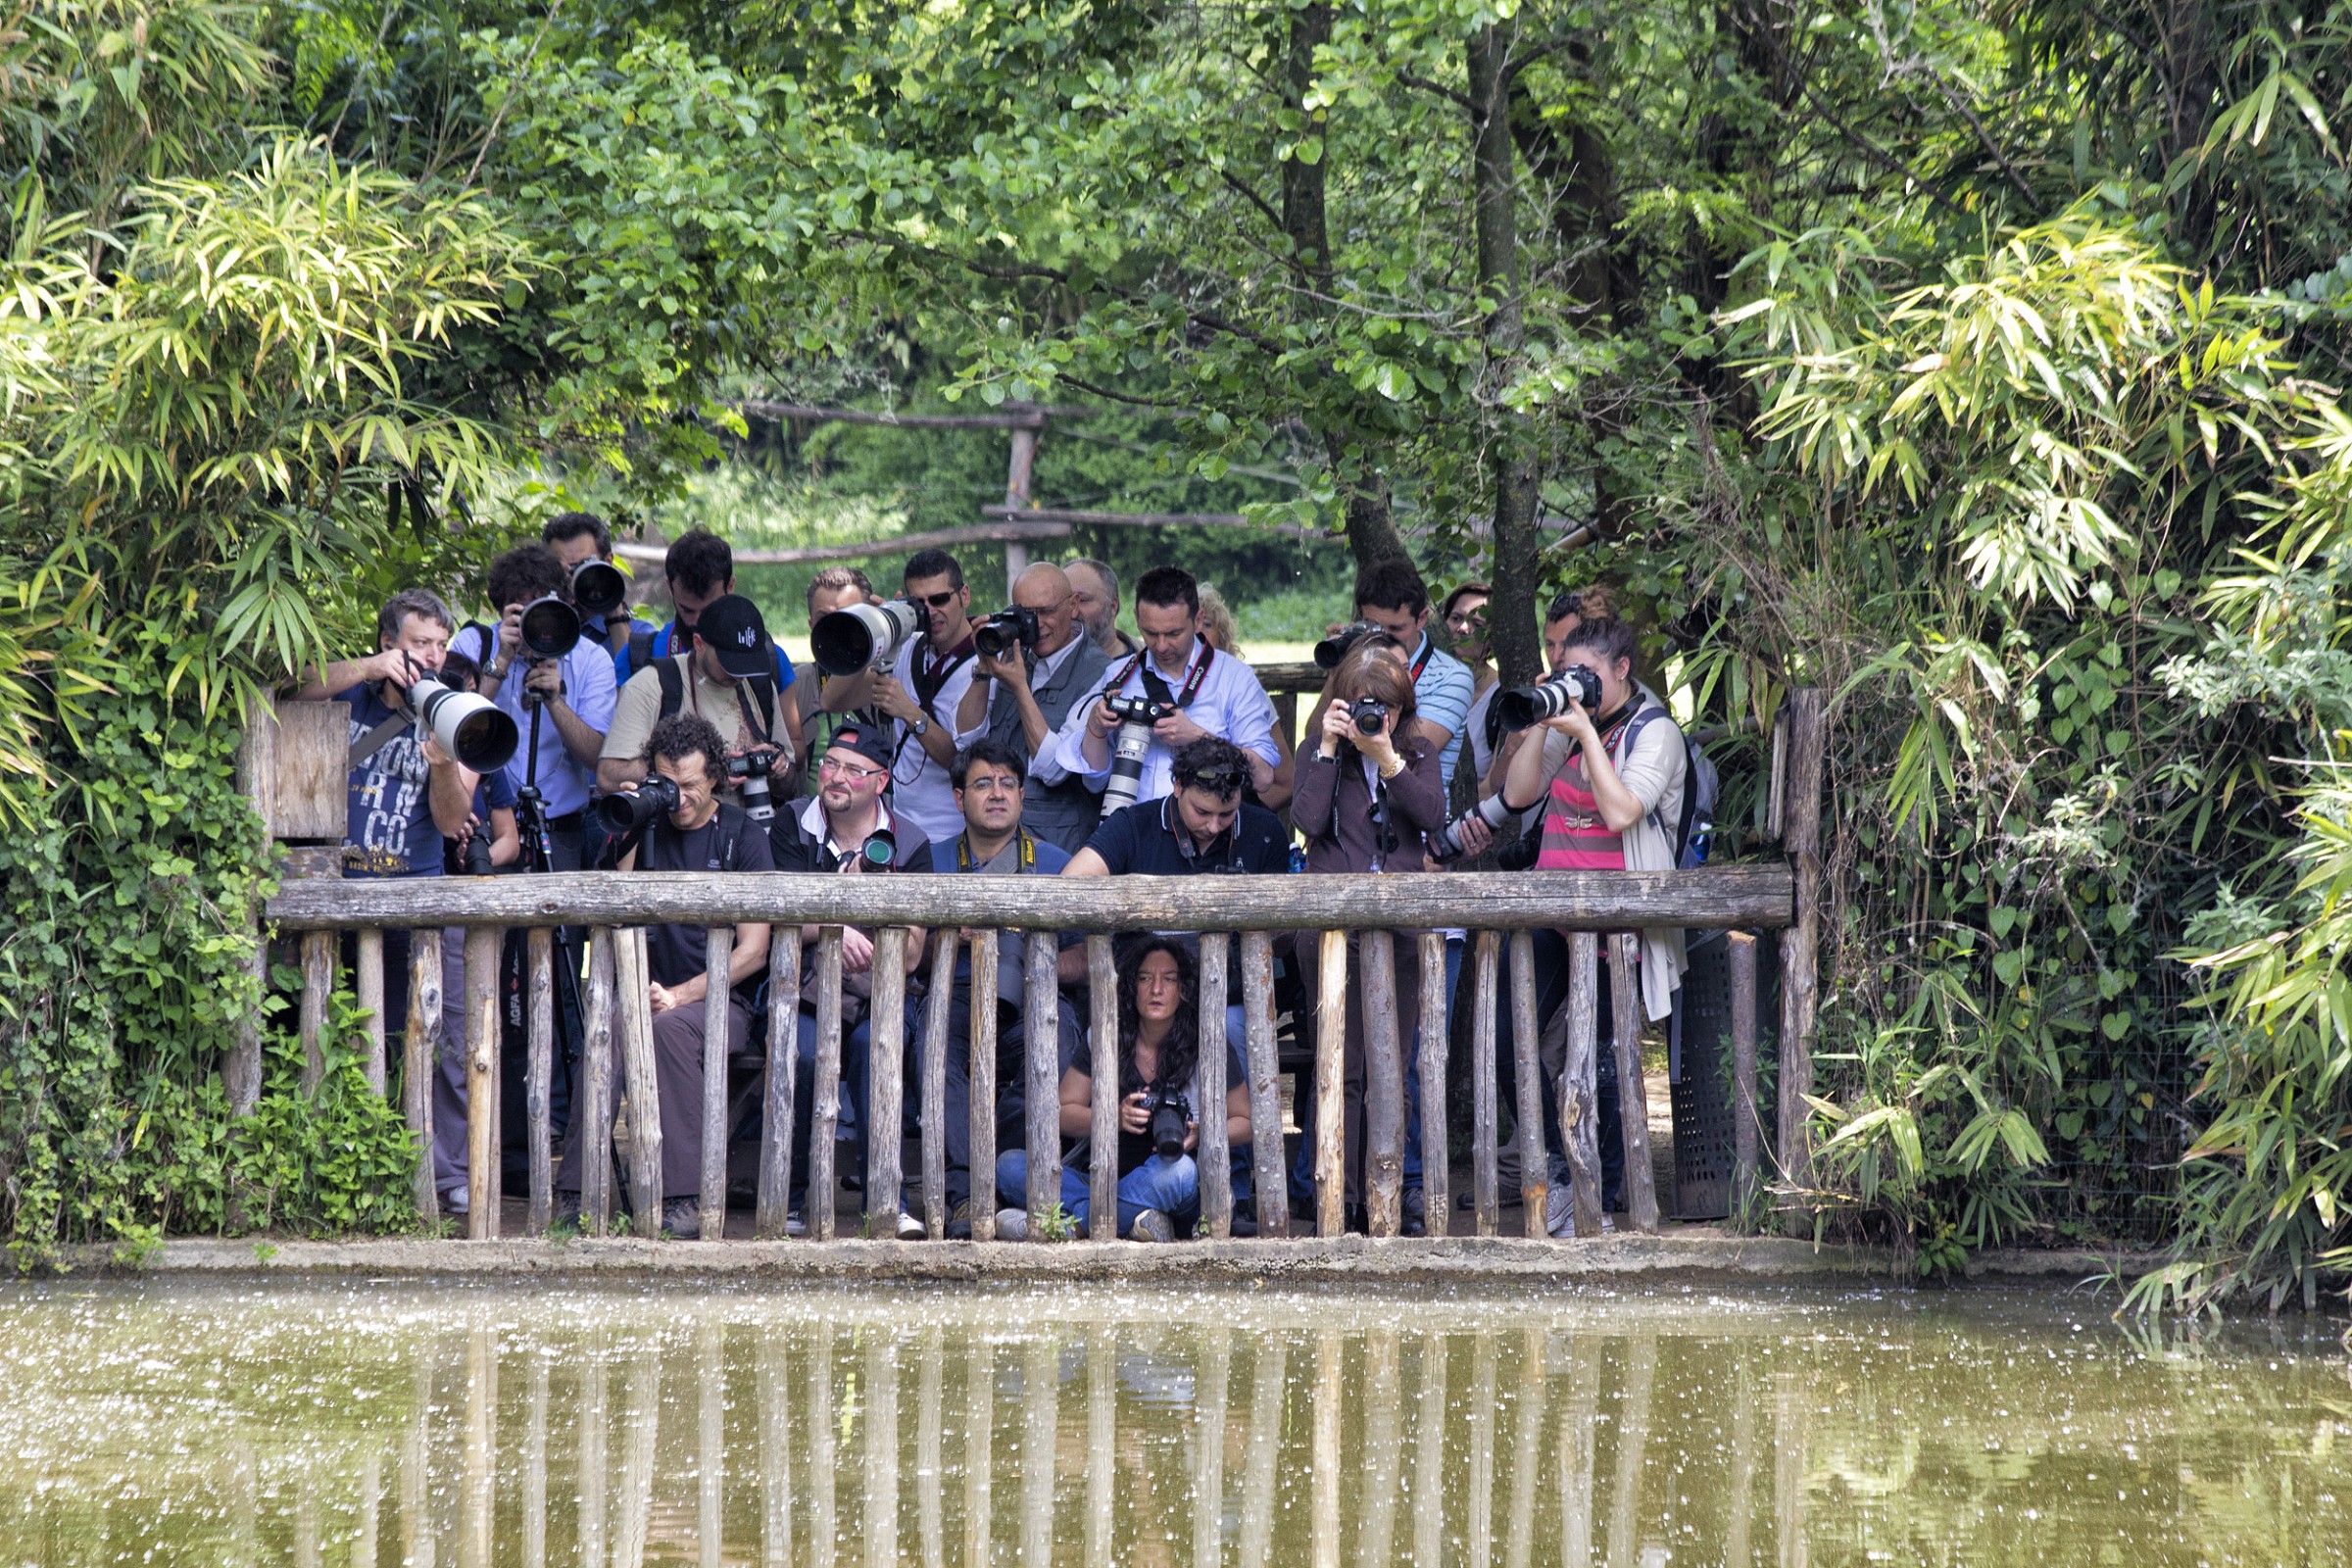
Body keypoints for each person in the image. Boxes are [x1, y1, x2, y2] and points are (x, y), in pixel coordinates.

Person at [1494, 615, 1688, 1235]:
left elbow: (1621, 810)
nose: (1576, 683)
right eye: (1566, 671)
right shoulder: (1570, 718)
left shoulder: (1654, 732)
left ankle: (1598, 1203)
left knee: (1602, 1063)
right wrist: (1541, 724)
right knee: (1506, 1039)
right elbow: (1520, 793)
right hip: (1555, 919)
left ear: (1623, 670)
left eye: (1588, 675)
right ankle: (1559, 1172)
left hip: (1621, 928)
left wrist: (1585, 732)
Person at [291, 588, 480, 1212]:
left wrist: (445, 763)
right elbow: (285, 687)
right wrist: (369, 671)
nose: (432, 656)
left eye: (441, 644)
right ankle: (345, 1160)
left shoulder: (460, 712)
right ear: (389, 643)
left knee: (442, 1039)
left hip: (418, 899)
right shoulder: (353, 688)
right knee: (338, 1035)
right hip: (339, 896)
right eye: (419, 643)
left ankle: (444, 1172)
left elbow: (455, 823)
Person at [554, 714, 772, 1239]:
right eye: (667, 784)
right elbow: (618, 901)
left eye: (691, 785)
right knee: (608, 1030)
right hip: (643, 993)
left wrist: (679, 995)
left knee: (667, 1030)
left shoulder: (741, 836)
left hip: (721, 1002)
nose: (680, 797)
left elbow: (755, 950)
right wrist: (631, 816)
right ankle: (577, 1191)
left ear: (716, 777)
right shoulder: (646, 826)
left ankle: (682, 1197)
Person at [1289, 643, 1447, 1233]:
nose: (1369, 716)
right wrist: (1329, 750)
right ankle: (1339, 1200)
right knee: (1340, 1065)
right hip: (1329, 931)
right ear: (1338, 702)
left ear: (1402, 709)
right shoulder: (1316, 750)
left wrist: (1388, 759)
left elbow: (1431, 815)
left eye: (1381, 707)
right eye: (1358, 705)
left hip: (1400, 931)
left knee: (1391, 1065)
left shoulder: (1418, 752)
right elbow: (1305, 822)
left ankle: (1383, 1195)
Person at [770, 721, 933, 1239]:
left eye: (852, 771)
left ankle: (888, 1200)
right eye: (830, 765)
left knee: (876, 1046)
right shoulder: (792, 823)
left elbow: (911, 958)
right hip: (805, 987)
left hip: (881, 995)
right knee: (803, 1053)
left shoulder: (910, 842)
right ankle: (796, 1199)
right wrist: (837, 920)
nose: (836, 778)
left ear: (880, 782)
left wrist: (877, 904)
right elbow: (778, 915)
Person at [923, 740, 1084, 1232]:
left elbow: (1089, 955)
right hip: (957, 991)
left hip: (1036, 993)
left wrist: (1041, 960)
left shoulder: (1059, 864)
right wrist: (953, 938)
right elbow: (912, 957)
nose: (997, 794)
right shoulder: (930, 861)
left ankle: (1012, 1173)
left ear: (1021, 796)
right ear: (958, 798)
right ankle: (964, 1193)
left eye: (1008, 783)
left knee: (1055, 1039)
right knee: (936, 1042)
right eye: (983, 783)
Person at [993, 936, 1251, 1242]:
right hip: (1107, 1180)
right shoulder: (1105, 1038)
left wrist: (1202, 1132)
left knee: (1178, 1172)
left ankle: (1074, 1225)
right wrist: (1111, 1118)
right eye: (1145, 979)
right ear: (1132, 986)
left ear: (1183, 988)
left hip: (1177, 1180)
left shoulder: (1207, 1043)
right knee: (1010, 1165)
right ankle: (1140, 1220)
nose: (1156, 990)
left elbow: (1247, 1122)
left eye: (1168, 979)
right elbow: (1061, 1112)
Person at [1052, 565, 1281, 807]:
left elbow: (1263, 777)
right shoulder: (1119, 675)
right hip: (1136, 833)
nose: (1161, 646)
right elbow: (1095, 781)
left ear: (1198, 620)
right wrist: (1095, 729)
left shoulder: (1236, 679)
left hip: (1210, 834)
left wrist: (1197, 737)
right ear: (1136, 618)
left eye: (1173, 634)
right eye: (1150, 633)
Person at [450, 543, 617, 871]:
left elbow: (597, 758)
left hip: (560, 831)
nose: (533, 624)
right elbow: (450, 732)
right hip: (488, 830)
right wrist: (500, 663)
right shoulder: (474, 644)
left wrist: (556, 700)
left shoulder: (590, 659)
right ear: (501, 609)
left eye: (540, 611)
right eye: (522, 612)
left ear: (564, 606)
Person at [951, 563, 1113, 854]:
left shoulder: (1101, 673)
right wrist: (984, 669)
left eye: (1046, 612)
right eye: (1026, 614)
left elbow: (1054, 768)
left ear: (1073, 605)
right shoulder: (1012, 655)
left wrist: (1020, 688)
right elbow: (965, 739)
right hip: (994, 841)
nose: (1036, 626)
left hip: (1056, 848)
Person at [820, 548, 976, 847]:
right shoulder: (909, 647)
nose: (930, 612)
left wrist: (911, 713)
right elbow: (832, 701)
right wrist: (875, 632)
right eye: (919, 602)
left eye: (939, 599)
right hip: (899, 827)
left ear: (964, 596)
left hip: (954, 833)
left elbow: (963, 762)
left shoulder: (983, 662)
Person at [599, 594, 796, 821]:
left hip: (751, 839)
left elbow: (789, 782)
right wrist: (702, 770)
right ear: (699, 644)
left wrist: (777, 766)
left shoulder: (759, 683)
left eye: (747, 664)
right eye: (730, 663)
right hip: (678, 843)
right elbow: (608, 777)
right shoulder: (651, 685)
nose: (739, 675)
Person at [612, 528, 803, 755]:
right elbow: (620, 750)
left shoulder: (765, 658)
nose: (698, 623)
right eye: (688, 609)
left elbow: (795, 748)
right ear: (669, 586)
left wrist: (772, 760)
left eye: (710, 609)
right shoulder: (639, 657)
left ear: (730, 586)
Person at [1061, 737, 1291, 879]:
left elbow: (1281, 937)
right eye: (1202, 812)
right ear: (1178, 786)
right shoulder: (1132, 826)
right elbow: (1071, 883)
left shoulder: (1266, 831)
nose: (1213, 827)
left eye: (1226, 814)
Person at [1349, 559, 1476, 796]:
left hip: (1414, 819)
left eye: (1395, 629)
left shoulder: (1452, 677)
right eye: (1373, 627)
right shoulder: (1356, 664)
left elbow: (1410, 753)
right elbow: (1316, 734)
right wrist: (1342, 664)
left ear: (1422, 619)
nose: (1383, 639)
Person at [542, 511, 661, 664]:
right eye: (563, 569)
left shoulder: (641, 635)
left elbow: (637, 685)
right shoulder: (532, 625)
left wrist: (613, 609)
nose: (572, 579)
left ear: (607, 561)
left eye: (583, 567)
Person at [801, 566, 880, 793]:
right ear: (810, 626)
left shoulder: (888, 677)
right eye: (824, 618)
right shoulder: (797, 684)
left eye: (848, 617)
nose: (836, 626)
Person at [1065, 558, 1137, 658]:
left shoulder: (1149, 665)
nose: (1071, 611)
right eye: (1064, 601)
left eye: (1082, 600)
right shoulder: (1041, 666)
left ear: (1113, 606)